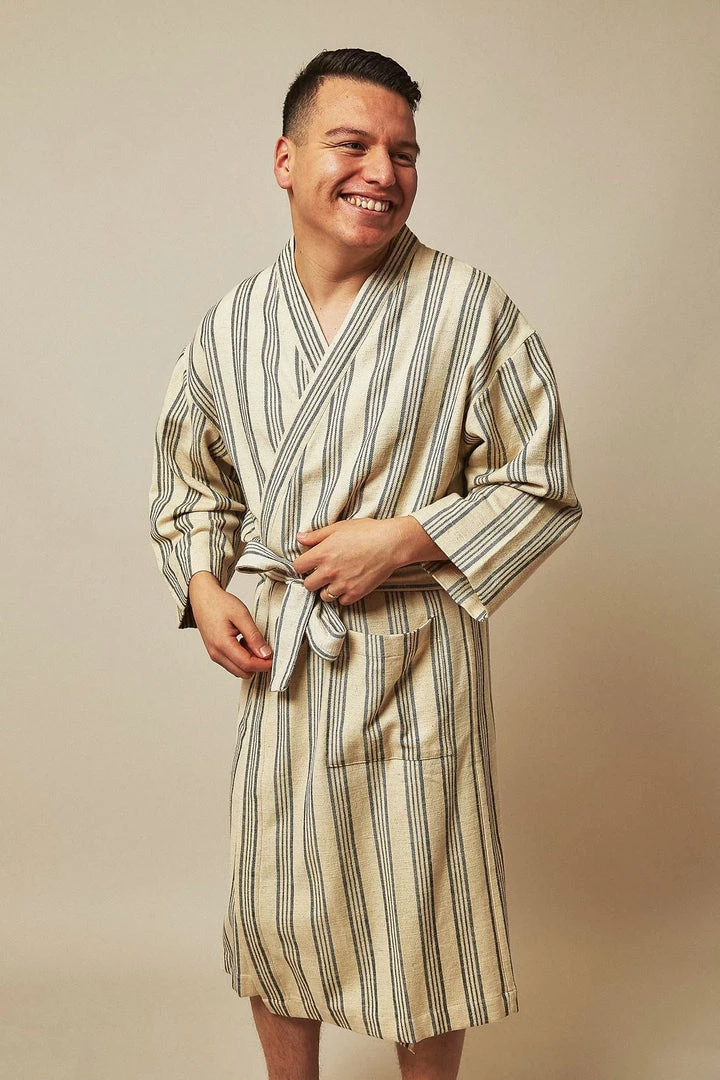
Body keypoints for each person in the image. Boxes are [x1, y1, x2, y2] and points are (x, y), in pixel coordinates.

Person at [149, 47, 582, 1080]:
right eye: (352, 145)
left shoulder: (471, 310)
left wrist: (407, 538)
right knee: (274, 905)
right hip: (285, 664)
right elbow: (192, 482)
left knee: (421, 913)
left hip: (414, 667)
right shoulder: (234, 326)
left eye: (404, 152)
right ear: (286, 159)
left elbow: (541, 483)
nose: (382, 172)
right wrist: (205, 586)